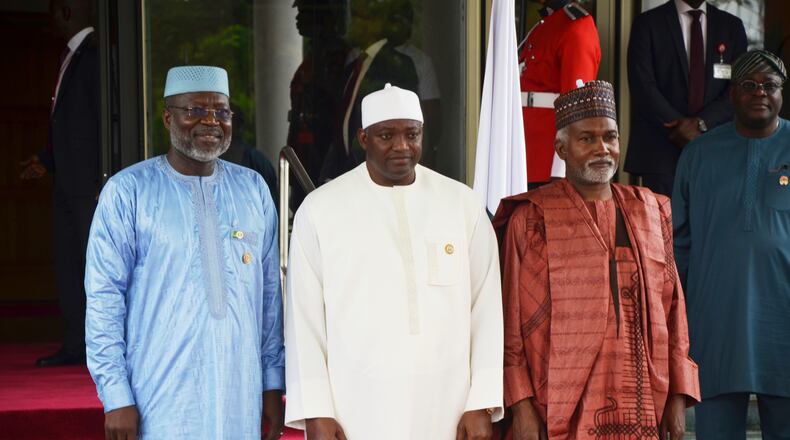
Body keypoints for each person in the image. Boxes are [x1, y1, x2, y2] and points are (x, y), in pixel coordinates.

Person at [285, 84, 503, 439]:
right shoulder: (321, 210)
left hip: (447, 406)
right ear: (363, 138)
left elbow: (487, 308)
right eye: (386, 135)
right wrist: (315, 411)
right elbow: (303, 319)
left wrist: (482, 401)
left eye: (411, 134)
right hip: (356, 408)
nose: (401, 146)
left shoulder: (462, 204)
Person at [84, 66, 285, 439]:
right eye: (194, 110)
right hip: (159, 396)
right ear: (167, 117)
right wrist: (115, 394)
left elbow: (270, 297)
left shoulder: (253, 188)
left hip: (238, 394)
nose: (211, 122)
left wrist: (272, 382)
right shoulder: (128, 192)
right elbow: (103, 299)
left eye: (221, 112)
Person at [495, 81, 700, 439]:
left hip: (642, 403)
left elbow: (674, 311)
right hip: (555, 406)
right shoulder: (531, 218)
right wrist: (521, 405)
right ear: (561, 147)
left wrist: (678, 396)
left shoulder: (652, 209)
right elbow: (510, 322)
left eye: (610, 137)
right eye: (586, 139)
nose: (602, 149)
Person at [672, 50, 790, 439]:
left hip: (782, 320)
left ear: (782, 93)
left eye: (769, 85)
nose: (760, 92)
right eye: (749, 85)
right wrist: (677, 318)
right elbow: (679, 242)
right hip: (715, 320)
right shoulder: (699, 154)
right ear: (733, 93)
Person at [19, 0, 99, 367]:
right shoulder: (71, 56)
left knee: (92, 269)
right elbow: (68, 126)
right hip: (67, 182)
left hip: (89, 185)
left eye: (53, 10)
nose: (49, 19)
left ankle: (97, 348)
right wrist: (47, 160)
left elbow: (97, 122)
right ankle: (74, 345)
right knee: (69, 265)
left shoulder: (95, 56)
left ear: (67, 12)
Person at [624, 0, 747, 197]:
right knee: (664, 226)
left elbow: (738, 88)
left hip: (716, 148)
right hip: (662, 150)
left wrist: (701, 124)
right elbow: (643, 85)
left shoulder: (731, 26)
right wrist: (680, 129)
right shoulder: (647, 24)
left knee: (711, 224)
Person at [519, 0, 600, 189]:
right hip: (527, 152)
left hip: (547, 160)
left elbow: (577, 107)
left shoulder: (576, 25)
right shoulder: (546, 24)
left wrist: (562, 167)